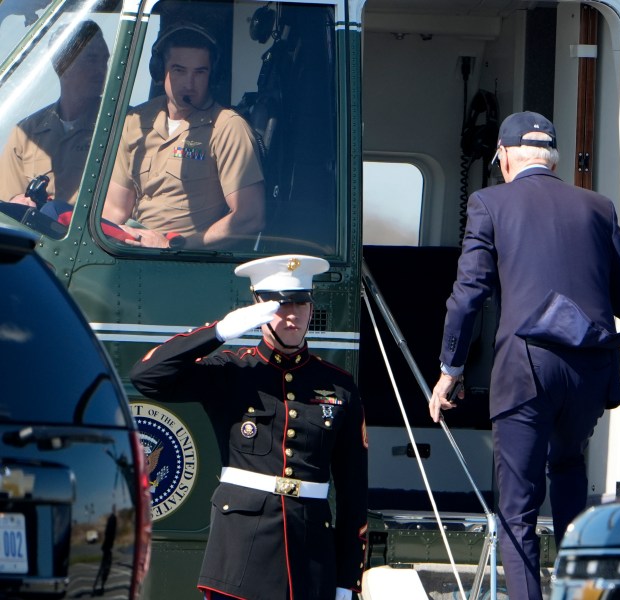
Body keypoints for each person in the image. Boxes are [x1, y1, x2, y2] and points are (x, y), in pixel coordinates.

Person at [429, 111, 620, 600]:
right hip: (589, 370)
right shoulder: (598, 207)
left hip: (526, 369)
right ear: (553, 158)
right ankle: (574, 592)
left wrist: (449, 370)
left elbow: (468, 295)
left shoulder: (489, 203)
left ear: (503, 156)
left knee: (518, 507)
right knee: (567, 470)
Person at [130, 254, 368, 600]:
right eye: (279, 304)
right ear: (258, 305)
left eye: (300, 302)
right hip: (241, 556)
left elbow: (353, 491)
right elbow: (147, 377)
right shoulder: (232, 372)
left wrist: (347, 580)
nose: (292, 314)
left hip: (311, 559)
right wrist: (219, 332)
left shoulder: (339, 386)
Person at [103, 23, 265, 249]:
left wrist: (176, 246)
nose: (189, 84)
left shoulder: (228, 128)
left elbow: (250, 216)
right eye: (179, 70)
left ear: (212, 75)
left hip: (186, 261)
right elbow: (116, 209)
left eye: (200, 72)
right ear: (161, 72)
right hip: (130, 253)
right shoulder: (136, 122)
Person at [0, 20, 109, 207]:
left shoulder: (119, 127)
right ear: (62, 64)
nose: (102, 70)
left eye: (105, 60)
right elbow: (8, 209)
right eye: (91, 59)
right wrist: (18, 203)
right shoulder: (26, 134)